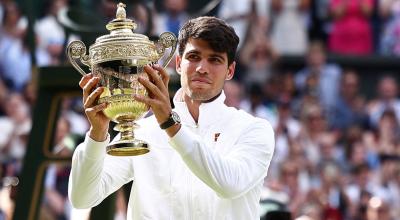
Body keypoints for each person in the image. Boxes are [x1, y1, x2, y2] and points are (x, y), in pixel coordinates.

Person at [68, 16, 275, 220]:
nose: (202, 68)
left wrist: (170, 124)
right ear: (178, 63)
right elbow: (82, 198)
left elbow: (230, 184)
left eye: (215, 59)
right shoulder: (144, 131)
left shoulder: (253, 129)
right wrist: (97, 134)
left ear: (230, 71)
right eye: (194, 57)